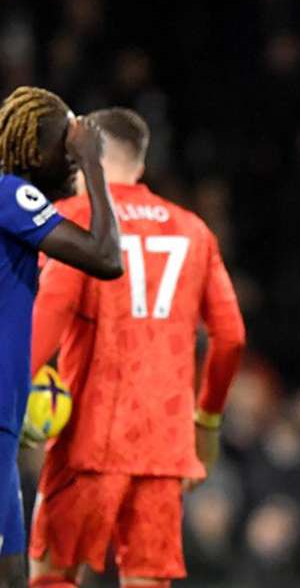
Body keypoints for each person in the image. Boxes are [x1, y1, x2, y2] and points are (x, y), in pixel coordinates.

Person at [27, 107, 246, 588]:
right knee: (148, 580)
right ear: (140, 165)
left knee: (52, 573)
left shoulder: (73, 219)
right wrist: (206, 423)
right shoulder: (193, 230)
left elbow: (51, 312)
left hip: (89, 439)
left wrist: (16, 388)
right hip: (164, 446)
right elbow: (230, 339)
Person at [0, 86, 123, 587]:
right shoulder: (10, 192)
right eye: (67, 145)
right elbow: (106, 256)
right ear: (35, 153)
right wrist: (96, 165)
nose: (74, 155)